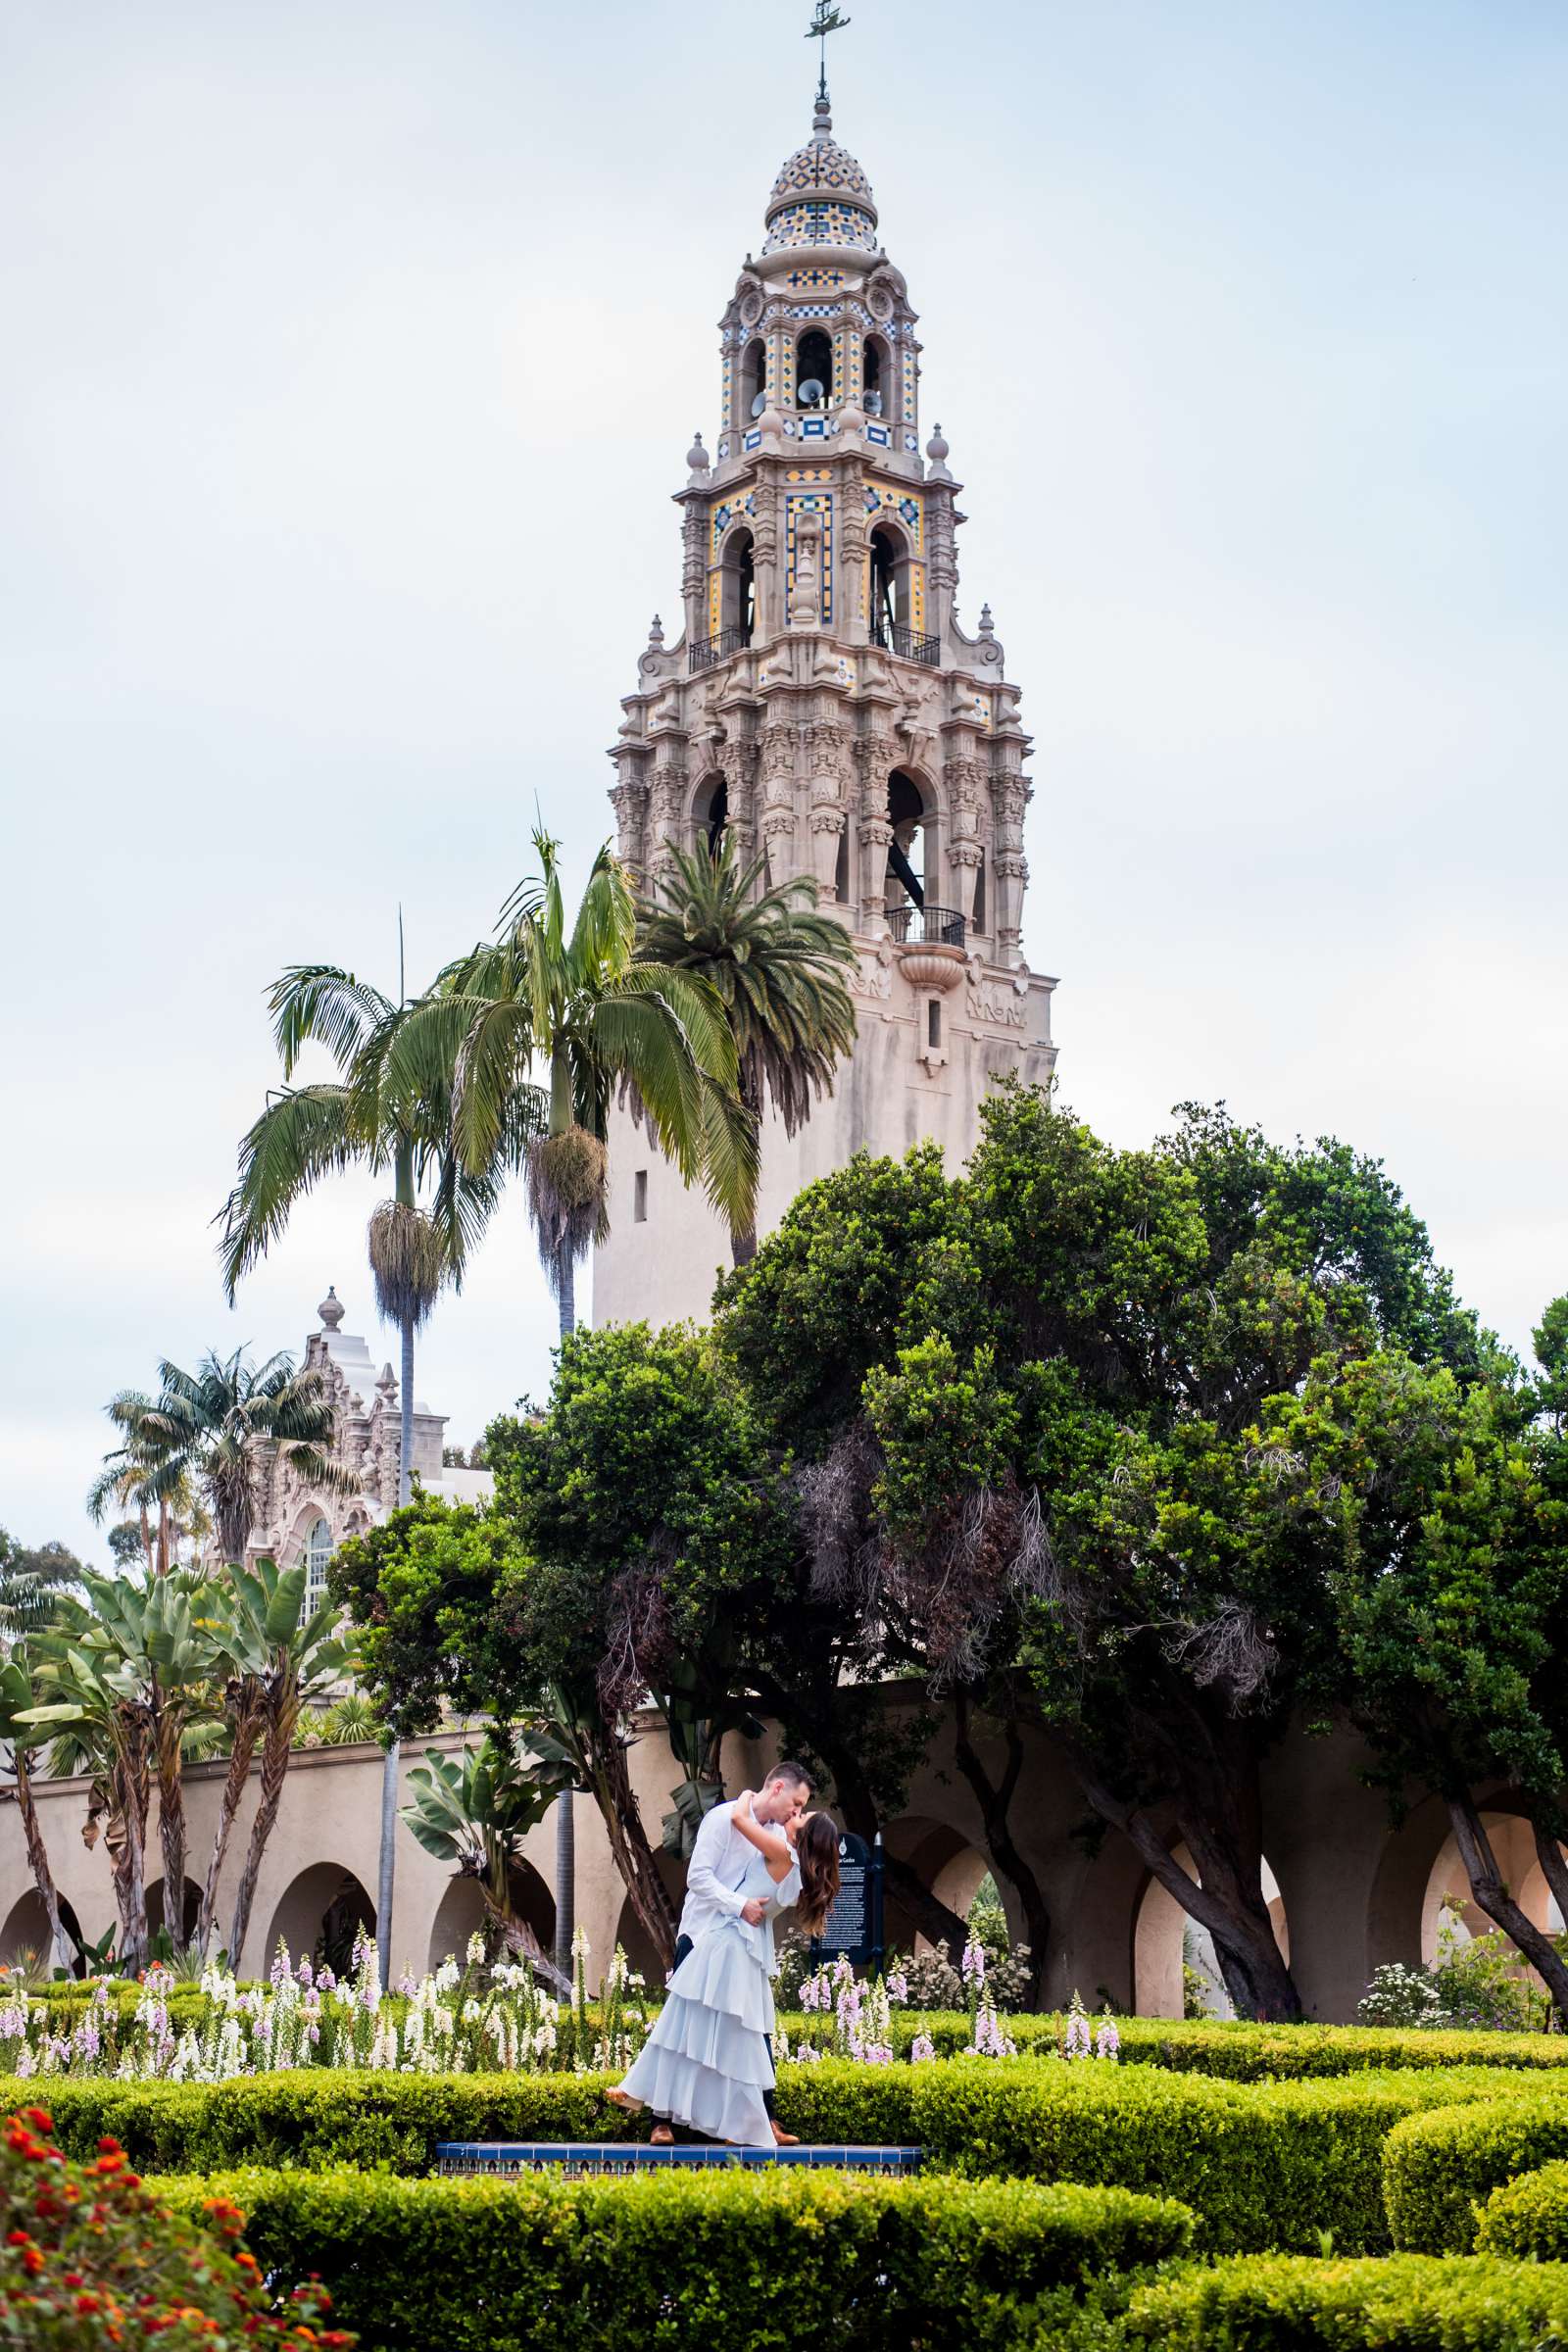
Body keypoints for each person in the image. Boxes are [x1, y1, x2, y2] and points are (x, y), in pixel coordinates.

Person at [611, 1784, 841, 2147]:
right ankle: (688, 2117)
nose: (796, 1813)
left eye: (802, 1814)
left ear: (805, 1836)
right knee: (722, 2031)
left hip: (728, 1943)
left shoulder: (780, 1846)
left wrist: (748, 1795)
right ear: (778, 1787)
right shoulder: (792, 1862)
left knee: (693, 2025)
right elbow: (699, 1877)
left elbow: (739, 1814)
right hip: (711, 1934)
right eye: (797, 1805)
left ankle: (747, 2120)